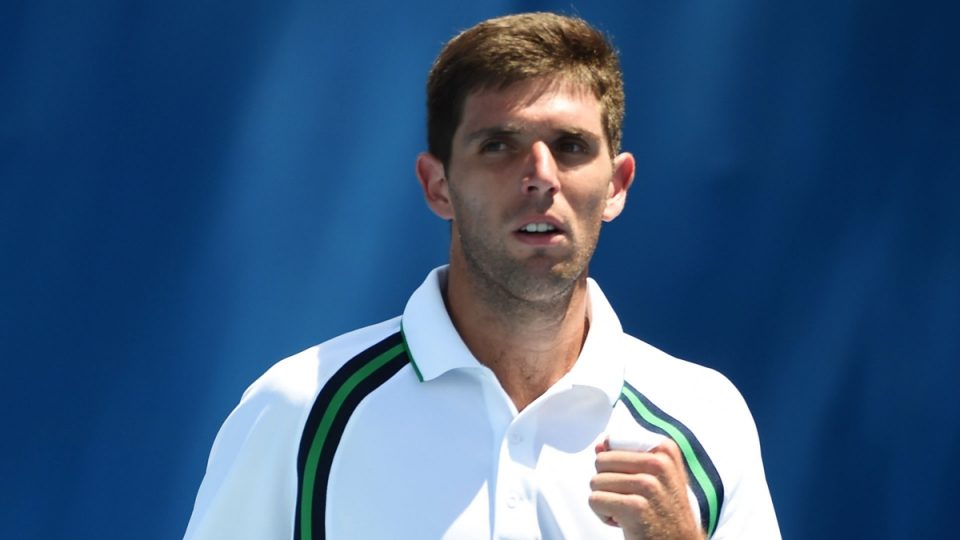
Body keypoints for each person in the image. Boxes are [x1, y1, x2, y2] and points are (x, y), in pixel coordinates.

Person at [184, 12, 780, 540]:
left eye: (571, 146)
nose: (541, 175)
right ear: (438, 185)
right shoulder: (300, 411)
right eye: (499, 145)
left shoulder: (707, 419)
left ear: (616, 186)